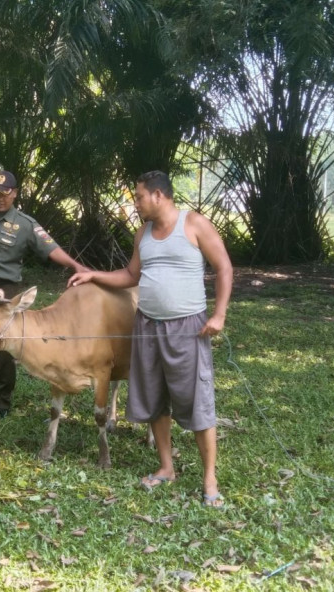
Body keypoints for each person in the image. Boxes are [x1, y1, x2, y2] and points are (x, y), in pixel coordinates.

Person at [68, 170, 233, 508]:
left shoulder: (195, 224)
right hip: (148, 326)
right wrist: (93, 274)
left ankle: (210, 480)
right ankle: (166, 468)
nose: (136, 203)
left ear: (159, 195)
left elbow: (225, 267)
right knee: (156, 399)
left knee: (196, 400)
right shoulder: (142, 233)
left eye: (139, 196)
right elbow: (131, 275)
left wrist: (219, 315)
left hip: (188, 327)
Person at [0, 170, 88, 418]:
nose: (0, 198)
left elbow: (51, 248)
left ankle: (1, 402)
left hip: (5, 292)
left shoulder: (25, 224)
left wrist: (76, 266)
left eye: (5, 193)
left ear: (15, 194)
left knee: (3, 349)